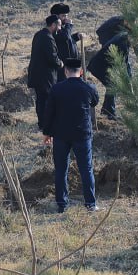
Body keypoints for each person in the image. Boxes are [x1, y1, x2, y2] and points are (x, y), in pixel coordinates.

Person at [43, 58, 100, 212]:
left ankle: (62, 205)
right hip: (82, 134)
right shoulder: (89, 88)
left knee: (61, 169)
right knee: (86, 169)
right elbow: (95, 102)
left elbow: (49, 113)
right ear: (81, 72)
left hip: (61, 135)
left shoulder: (56, 89)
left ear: (65, 71)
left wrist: (47, 132)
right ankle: (90, 204)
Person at [28, 15, 63, 129]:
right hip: (45, 76)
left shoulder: (38, 34)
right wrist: (60, 63)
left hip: (37, 75)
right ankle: (46, 125)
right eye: (59, 25)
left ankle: (42, 123)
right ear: (53, 25)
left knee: (41, 100)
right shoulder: (48, 38)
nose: (60, 29)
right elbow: (52, 58)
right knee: (46, 100)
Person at [86, 28, 131, 119]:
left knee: (111, 85)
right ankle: (110, 113)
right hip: (98, 66)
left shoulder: (124, 36)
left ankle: (106, 110)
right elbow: (125, 64)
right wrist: (128, 80)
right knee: (112, 86)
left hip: (102, 65)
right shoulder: (122, 44)